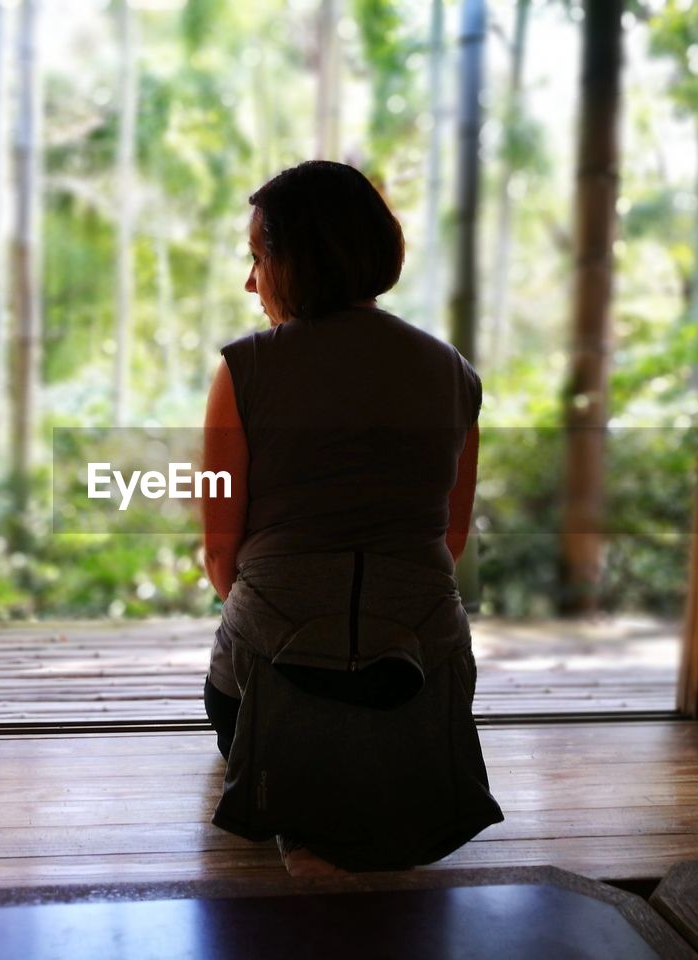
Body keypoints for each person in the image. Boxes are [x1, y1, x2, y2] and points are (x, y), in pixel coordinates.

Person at [199, 160, 504, 877]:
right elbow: (449, 542)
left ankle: (300, 822)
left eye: (258, 256)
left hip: (270, 684)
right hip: (418, 683)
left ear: (296, 259)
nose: (251, 281)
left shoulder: (244, 369)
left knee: (261, 692)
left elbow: (222, 559)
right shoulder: (454, 374)